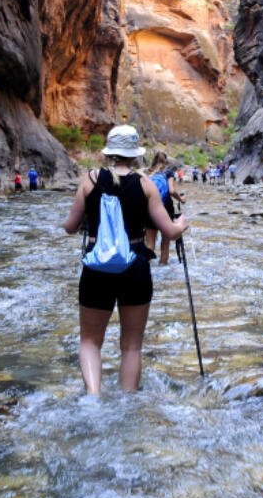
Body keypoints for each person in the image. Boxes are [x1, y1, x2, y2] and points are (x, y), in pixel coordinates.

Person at [62, 125, 188, 394]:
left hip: (97, 269)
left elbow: (71, 227)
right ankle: (128, 400)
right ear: (135, 155)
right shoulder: (146, 185)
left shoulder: (89, 180)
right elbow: (169, 232)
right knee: (131, 346)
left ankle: (93, 398)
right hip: (136, 268)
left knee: (90, 342)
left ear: (109, 153)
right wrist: (182, 223)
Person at [146, 165, 185, 265]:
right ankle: (163, 265)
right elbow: (171, 191)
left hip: (150, 209)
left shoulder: (149, 172)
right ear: (165, 162)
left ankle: (147, 268)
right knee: (165, 242)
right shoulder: (168, 173)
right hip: (166, 209)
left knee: (150, 244)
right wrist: (180, 199)